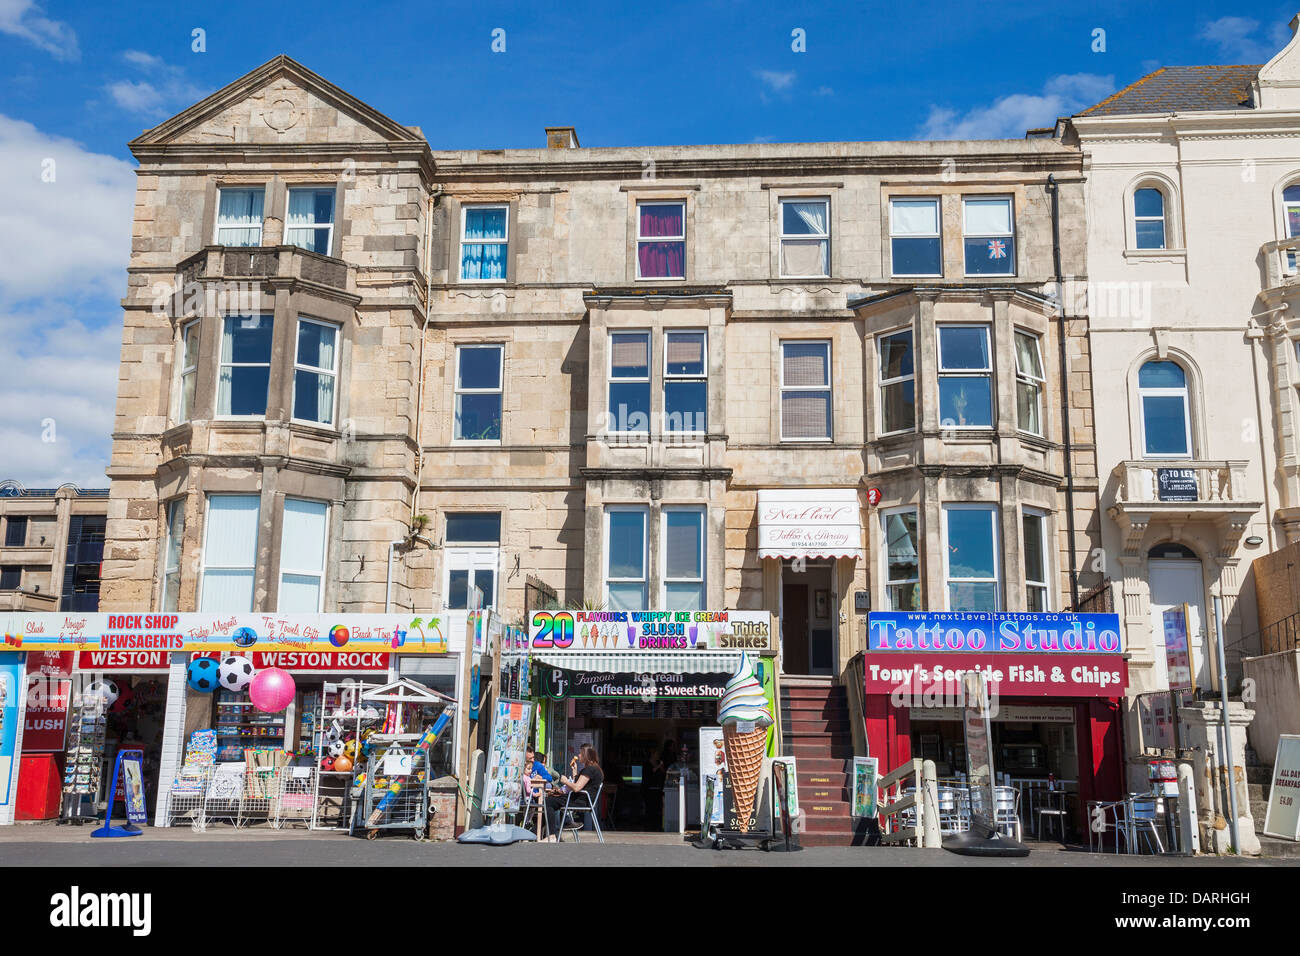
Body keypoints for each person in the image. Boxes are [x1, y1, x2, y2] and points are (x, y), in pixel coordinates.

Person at [544, 744, 604, 841]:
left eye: (581, 753)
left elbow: (577, 788)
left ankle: (552, 835)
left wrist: (565, 781)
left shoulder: (589, 770)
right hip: (583, 800)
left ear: (586, 756)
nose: (579, 755)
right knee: (553, 802)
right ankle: (565, 823)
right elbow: (581, 784)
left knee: (548, 802)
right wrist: (575, 771)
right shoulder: (595, 769)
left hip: (580, 801)